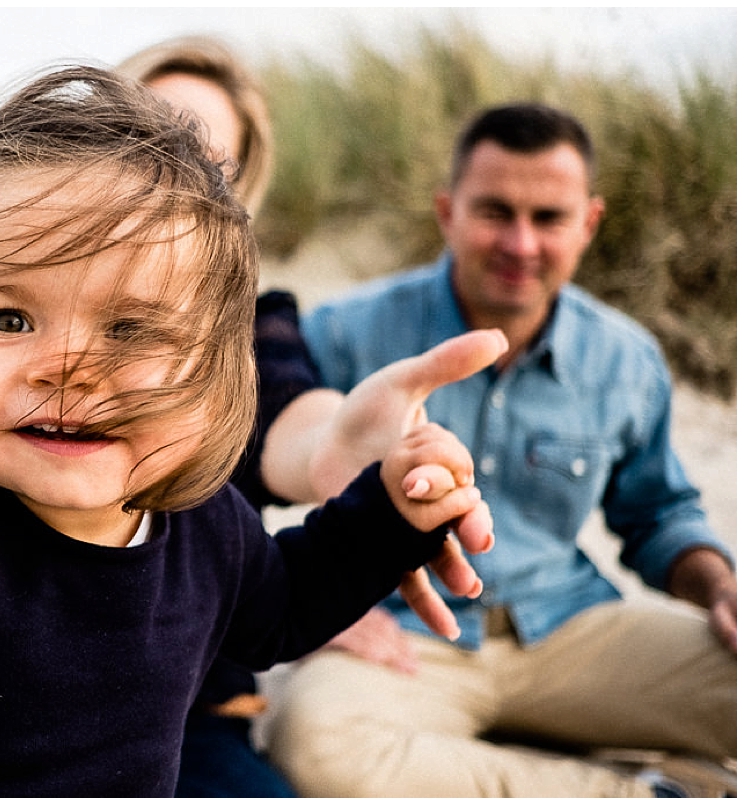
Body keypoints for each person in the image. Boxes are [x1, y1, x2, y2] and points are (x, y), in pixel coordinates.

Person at [0, 37, 510, 798]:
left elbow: (281, 605)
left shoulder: (208, 524)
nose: (66, 366)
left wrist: (387, 517)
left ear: (215, 362)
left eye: (131, 329)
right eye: (8, 319)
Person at [264, 102, 737, 798]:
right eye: (495, 212)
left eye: (548, 217)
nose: (520, 242)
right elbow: (249, 478)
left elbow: (658, 514)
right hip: (407, 644)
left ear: (589, 224)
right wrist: (302, 604)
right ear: (447, 212)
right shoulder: (342, 334)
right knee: (311, 737)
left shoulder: (625, 360)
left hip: (573, 631)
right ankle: (642, 790)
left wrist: (722, 586)